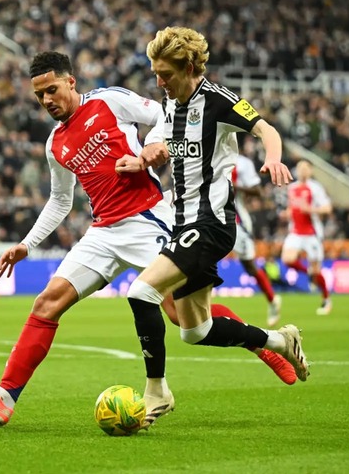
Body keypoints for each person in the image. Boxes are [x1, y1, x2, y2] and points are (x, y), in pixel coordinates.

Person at [0, 52, 295, 429]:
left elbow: (165, 115)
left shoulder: (108, 100)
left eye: (52, 90)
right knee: (46, 303)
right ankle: (3, 399)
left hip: (148, 218)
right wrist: (27, 244)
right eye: (39, 96)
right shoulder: (55, 145)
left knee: (183, 316)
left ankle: (264, 343)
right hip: (102, 232)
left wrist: (151, 150)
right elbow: (61, 201)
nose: (47, 100)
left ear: (71, 82)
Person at [117, 27, 310, 415]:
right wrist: (141, 160)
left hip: (211, 224)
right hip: (182, 222)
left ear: (189, 67)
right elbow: (164, 144)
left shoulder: (218, 100)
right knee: (195, 331)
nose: (159, 82)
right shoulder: (171, 103)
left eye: (166, 75)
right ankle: (279, 341)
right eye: (155, 74)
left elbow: (265, 128)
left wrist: (273, 156)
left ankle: (157, 392)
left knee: (140, 293)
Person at [232, 152, 282, 327]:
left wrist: (234, 187)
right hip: (209, 218)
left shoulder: (241, 163)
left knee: (249, 266)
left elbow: (257, 190)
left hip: (236, 220)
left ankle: (272, 299)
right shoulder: (205, 151)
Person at [280, 160, 333, 315]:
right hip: (295, 231)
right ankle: (308, 272)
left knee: (317, 271)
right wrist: (287, 214)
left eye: (305, 168)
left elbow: (327, 208)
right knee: (287, 259)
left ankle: (326, 299)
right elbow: (292, 208)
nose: (302, 171)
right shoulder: (292, 188)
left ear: (310, 171)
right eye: (299, 168)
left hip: (312, 233)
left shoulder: (315, 188)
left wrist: (311, 209)